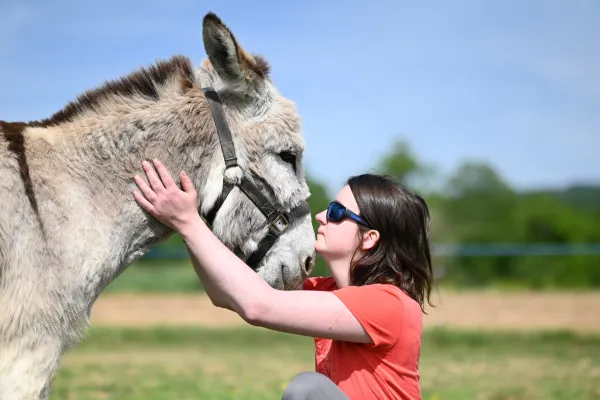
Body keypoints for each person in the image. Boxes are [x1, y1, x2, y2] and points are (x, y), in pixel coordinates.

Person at [132, 159, 435, 400]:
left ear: (369, 238)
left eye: (337, 211)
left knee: (308, 389)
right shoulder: (331, 294)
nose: (320, 216)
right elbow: (226, 295)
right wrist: (193, 224)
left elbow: (259, 306)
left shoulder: (387, 302)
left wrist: (188, 223)